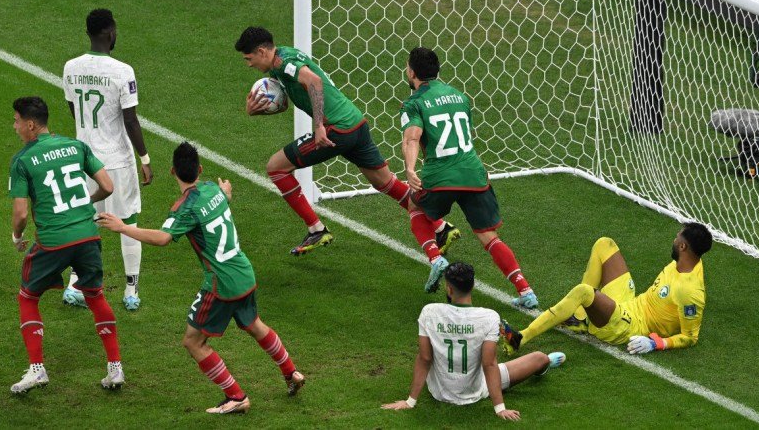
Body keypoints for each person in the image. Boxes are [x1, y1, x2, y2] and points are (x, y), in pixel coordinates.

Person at [97, 142, 305, 414]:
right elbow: (222, 198)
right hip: (243, 271)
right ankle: (292, 372)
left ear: (173, 171)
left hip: (221, 283)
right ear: (200, 169)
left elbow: (163, 238)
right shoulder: (212, 190)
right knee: (254, 324)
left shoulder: (186, 207)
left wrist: (123, 227)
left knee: (193, 342)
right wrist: (226, 194)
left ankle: (236, 396)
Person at [234, 26, 460, 257]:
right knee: (384, 182)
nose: (249, 64)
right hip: (356, 123)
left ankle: (316, 229)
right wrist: (255, 110)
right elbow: (284, 101)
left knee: (276, 168)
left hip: (337, 129)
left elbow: (314, 83)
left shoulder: (284, 63)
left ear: (262, 51)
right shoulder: (283, 60)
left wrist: (319, 124)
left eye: (248, 58)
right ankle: (441, 227)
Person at [400, 47, 538, 308]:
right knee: (489, 236)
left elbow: (413, 137)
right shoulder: (460, 96)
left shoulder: (414, 103)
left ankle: (435, 258)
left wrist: (410, 169)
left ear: (412, 72)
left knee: (414, 205)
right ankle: (525, 291)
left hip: (440, 176)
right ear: (438, 71)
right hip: (474, 173)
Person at [8, 97, 124, 394]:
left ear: (30, 124)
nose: (15, 126)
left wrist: (17, 237)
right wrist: (86, 203)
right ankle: (115, 368)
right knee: (95, 295)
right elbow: (108, 186)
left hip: (54, 241)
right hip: (88, 236)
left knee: (27, 296)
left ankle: (37, 369)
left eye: (17, 120)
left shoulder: (22, 161)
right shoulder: (76, 146)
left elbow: (21, 214)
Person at [381, 262, 565, 421]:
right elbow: (489, 364)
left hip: (439, 391)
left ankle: (545, 363)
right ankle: (545, 365)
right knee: (540, 358)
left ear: (449, 289)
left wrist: (410, 401)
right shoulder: (489, 317)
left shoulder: (430, 312)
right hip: (477, 388)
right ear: (473, 285)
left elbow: (425, 358)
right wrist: (500, 408)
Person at [62, 8, 153, 311]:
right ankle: (131, 290)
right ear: (109, 32)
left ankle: (75, 283)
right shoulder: (122, 71)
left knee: (85, 220)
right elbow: (131, 121)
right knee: (127, 221)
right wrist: (145, 157)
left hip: (83, 159)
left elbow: (74, 110)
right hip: (115, 161)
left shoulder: (70, 68)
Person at [503, 224, 712, 355]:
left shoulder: (690, 291)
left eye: (677, 238)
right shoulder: (688, 262)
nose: (674, 240)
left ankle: (521, 337)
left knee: (584, 292)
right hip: (631, 303)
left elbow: (690, 337)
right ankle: (580, 317)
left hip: (631, 326)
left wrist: (655, 343)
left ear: (683, 247)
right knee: (605, 244)